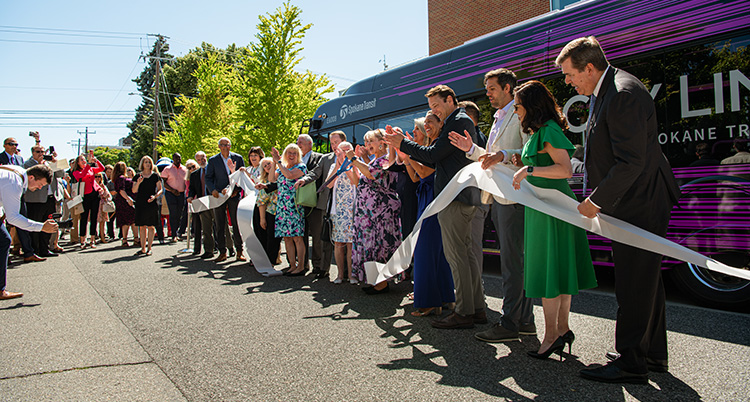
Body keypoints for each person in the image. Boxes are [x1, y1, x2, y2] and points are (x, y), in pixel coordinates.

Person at [557, 36, 680, 383]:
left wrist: (595, 202)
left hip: (640, 201)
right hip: (639, 199)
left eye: (570, 74)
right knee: (646, 281)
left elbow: (630, 163)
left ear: (590, 67)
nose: (568, 82)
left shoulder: (622, 93)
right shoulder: (609, 89)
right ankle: (650, 354)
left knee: (632, 282)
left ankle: (631, 363)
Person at [508, 80, 598, 360]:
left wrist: (529, 169)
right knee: (558, 273)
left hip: (551, 207)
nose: (516, 112)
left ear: (532, 106)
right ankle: (562, 330)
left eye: (518, 106)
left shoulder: (548, 130)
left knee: (549, 273)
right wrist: (521, 165)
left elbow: (564, 170)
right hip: (546, 206)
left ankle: (551, 337)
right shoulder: (542, 131)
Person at [385, 85, 484, 328]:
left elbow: (432, 156)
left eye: (437, 106)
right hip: (460, 197)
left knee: (457, 256)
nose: (435, 112)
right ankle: (476, 308)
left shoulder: (457, 120)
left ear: (450, 99)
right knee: (466, 254)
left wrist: (403, 144)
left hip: (454, 198)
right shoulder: (456, 120)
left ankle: (463, 313)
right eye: (431, 108)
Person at [449, 68, 535, 340]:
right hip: (499, 197)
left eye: (492, 88)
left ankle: (510, 323)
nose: (487, 93)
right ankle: (525, 321)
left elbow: (531, 152)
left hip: (515, 196)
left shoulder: (520, 113)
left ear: (508, 88)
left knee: (513, 264)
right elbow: (491, 158)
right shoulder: (498, 117)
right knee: (514, 262)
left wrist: (504, 154)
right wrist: (472, 150)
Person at [399, 114, 455, 315]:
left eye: (416, 130)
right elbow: (415, 177)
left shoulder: (433, 151)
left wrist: (408, 154)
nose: (413, 133)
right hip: (425, 198)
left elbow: (424, 174)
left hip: (433, 199)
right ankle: (446, 297)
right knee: (435, 252)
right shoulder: (421, 152)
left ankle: (429, 301)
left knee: (425, 250)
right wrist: (407, 158)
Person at [346, 128, 402, 291]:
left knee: (379, 245)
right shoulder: (373, 160)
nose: (367, 144)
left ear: (382, 143)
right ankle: (375, 280)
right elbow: (359, 181)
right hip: (369, 213)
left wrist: (355, 159)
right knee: (371, 245)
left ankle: (381, 283)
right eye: (366, 142)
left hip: (380, 212)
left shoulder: (386, 159)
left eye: (371, 141)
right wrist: (353, 163)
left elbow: (372, 174)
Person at [0, 164, 59, 300]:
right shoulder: (15, 183)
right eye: (40, 184)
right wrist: (42, 227)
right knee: (4, 241)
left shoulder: (17, 172)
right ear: (32, 177)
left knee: (4, 240)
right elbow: (14, 218)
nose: (39, 188)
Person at [294, 134, 334, 279]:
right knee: (300, 233)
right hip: (298, 202)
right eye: (297, 142)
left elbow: (316, 174)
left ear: (310, 144)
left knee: (317, 235)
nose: (298, 145)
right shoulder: (293, 158)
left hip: (316, 202)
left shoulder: (319, 157)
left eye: (301, 143)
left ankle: (317, 265)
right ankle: (302, 264)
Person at [205, 137, 246, 262]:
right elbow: (208, 178)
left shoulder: (238, 158)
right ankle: (222, 252)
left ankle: (239, 251)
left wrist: (236, 191)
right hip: (219, 196)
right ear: (219, 146)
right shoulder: (213, 160)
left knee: (236, 223)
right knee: (220, 224)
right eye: (222, 145)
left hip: (234, 195)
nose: (225, 147)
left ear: (230, 146)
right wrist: (213, 190)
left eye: (227, 144)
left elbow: (242, 176)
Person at [22, 145, 64, 258]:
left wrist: (55, 163)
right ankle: (34, 250)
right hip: (35, 200)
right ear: (33, 153)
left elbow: (61, 174)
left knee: (48, 224)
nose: (41, 154)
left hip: (50, 198)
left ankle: (45, 249)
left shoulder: (49, 164)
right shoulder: (28, 164)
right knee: (35, 225)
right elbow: (30, 173)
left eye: (42, 151)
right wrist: (40, 164)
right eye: (38, 152)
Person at [271, 144, 307, 276]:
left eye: (294, 153)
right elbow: (271, 179)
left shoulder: (301, 167)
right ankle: (292, 265)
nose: (291, 155)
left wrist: (279, 162)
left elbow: (289, 176)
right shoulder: (281, 166)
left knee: (297, 237)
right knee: (286, 237)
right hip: (282, 206)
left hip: (294, 206)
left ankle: (301, 266)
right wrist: (274, 162)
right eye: (289, 153)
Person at [325, 141, 358, 284]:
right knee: (338, 243)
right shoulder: (334, 166)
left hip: (352, 210)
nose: (344, 153)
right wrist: (338, 167)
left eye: (347, 150)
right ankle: (339, 275)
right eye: (341, 150)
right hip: (337, 210)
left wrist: (347, 167)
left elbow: (355, 182)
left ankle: (351, 275)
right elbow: (329, 184)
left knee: (350, 243)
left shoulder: (356, 164)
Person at [71, 151, 105, 249]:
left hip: (95, 194)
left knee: (94, 218)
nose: (84, 161)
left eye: (84, 160)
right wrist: (89, 165)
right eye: (81, 160)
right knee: (84, 218)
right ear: (78, 163)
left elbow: (101, 169)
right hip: (85, 196)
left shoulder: (90, 169)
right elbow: (81, 176)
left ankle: (92, 239)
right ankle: (82, 240)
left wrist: (96, 161)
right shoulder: (76, 172)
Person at [132, 156, 163, 256]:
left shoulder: (155, 176)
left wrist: (155, 196)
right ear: (142, 164)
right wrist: (138, 183)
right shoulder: (137, 176)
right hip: (141, 202)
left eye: (149, 162)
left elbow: (160, 189)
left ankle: (149, 248)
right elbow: (134, 190)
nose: (148, 164)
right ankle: (142, 248)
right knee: (142, 226)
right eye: (145, 162)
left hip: (151, 202)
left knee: (151, 226)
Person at [188, 151, 215, 259]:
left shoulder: (213, 171)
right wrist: (190, 196)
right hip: (202, 202)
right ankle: (209, 250)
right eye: (198, 160)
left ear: (206, 157)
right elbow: (192, 189)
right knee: (206, 228)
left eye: (202, 158)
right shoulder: (194, 174)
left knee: (220, 226)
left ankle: (227, 249)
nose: (201, 161)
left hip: (215, 201)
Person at [255, 157, 282, 264]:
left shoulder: (282, 176)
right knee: (272, 238)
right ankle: (269, 261)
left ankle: (277, 257)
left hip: (284, 210)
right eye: (265, 166)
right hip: (271, 212)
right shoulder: (264, 182)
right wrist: (262, 219)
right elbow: (261, 202)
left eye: (269, 163)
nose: (267, 167)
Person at [161, 152, 188, 242]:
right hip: (171, 194)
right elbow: (164, 183)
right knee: (173, 213)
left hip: (181, 193)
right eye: (176, 158)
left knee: (180, 213)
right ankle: (173, 234)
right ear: (173, 159)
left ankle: (178, 232)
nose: (178, 160)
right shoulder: (167, 169)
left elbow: (187, 182)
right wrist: (172, 190)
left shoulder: (184, 169)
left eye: (179, 158)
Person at [112, 162, 136, 247]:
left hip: (121, 200)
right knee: (130, 220)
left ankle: (128, 239)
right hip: (125, 201)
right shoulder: (121, 178)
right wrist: (128, 199)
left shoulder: (117, 178)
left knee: (128, 220)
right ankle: (131, 239)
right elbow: (121, 190)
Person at [95, 172, 112, 244]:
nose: (98, 178)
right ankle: (93, 238)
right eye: (96, 176)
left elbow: (108, 195)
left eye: (99, 176)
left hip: (102, 205)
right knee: (94, 222)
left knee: (102, 222)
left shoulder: (103, 186)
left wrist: (103, 189)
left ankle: (102, 237)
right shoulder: (92, 185)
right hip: (95, 205)